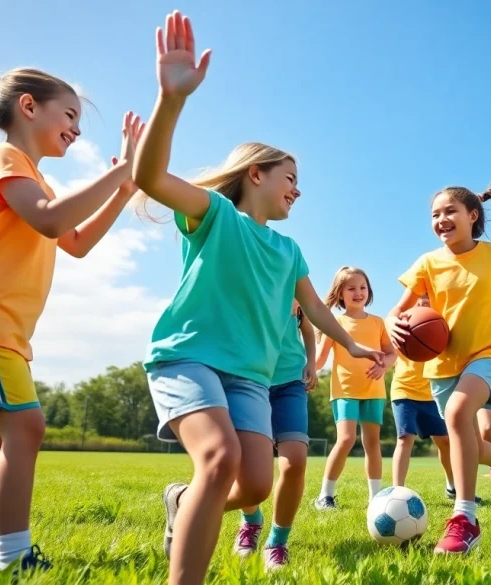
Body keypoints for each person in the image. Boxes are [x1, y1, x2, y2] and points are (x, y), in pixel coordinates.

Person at [133, 12, 383, 584]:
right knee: (219, 461)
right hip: (190, 357)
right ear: (256, 175)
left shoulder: (290, 249)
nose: (297, 188)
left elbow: (317, 309)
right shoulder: (214, 214)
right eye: (289, 176)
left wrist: (352, 346)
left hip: (248, 376)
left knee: (256, 484)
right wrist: (171, 99)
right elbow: (149, 176)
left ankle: (183, 502)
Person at [0, 68, 144, 575]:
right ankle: (15, 558)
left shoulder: (34, 178)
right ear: (27, 107)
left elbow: (77, 241)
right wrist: (119, 170)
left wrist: (124, 187)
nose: (77, 130)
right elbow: (50, 218)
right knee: (25, 431)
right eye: (69, 115)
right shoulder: (2, 157)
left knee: (3, 445)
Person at [388, 180, 491, 554]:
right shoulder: (427, 263)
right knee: (463, 438)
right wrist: (392, 322)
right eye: (435, 214)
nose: (441, 219)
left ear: (472, 215)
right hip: (441, 363)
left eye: (450, 211)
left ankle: (464, 518)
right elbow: (398, 310)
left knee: (456, 413)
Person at [233, 301, 317, 569]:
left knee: (294, 463)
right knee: (245, 464)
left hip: (291, 384)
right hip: (251, 381)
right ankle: (251, 521)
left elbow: (309, 328)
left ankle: (277, 542)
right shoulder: (248, 283)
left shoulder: (297, 295)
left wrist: (312, 363)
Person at [314, 267, 397, 509]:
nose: (358, 292)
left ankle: (376, 498)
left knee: (373, 443)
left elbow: (392, 354)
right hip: (344, 390)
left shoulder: (378, 322)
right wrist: (306, 372)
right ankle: (325, 495)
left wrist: (384, 368)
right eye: (351, 288)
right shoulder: (335, 323)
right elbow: (319, 360)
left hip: (373, 389)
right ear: (340, 294)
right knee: (346, 439)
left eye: (362, 287)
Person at [389, 296, 454, 497]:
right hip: (404, 390)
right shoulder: (401, 326)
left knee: (445, 442)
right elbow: (388, 352)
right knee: (404, 438)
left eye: (427, 301)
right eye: (419, 302)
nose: (423, 305)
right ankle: (397, 490)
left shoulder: (440, 327)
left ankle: (453, 486)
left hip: (431, 393)